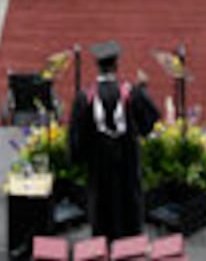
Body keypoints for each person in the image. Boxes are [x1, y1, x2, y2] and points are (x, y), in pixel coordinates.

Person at [67, 40, 160, 240]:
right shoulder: (131, 92)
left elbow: (76, 140)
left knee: (101, 206)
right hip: (127, 161)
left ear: (97, 67)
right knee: (129, 205)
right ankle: (130, 248)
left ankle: (103, 247)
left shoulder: (85, 97)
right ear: (116, 66)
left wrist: (79, 158)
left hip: (99, 165)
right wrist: (143, 89)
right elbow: (149, 123)